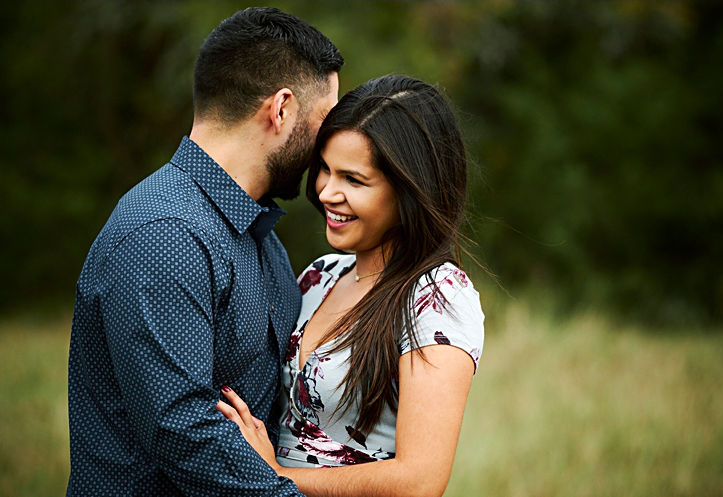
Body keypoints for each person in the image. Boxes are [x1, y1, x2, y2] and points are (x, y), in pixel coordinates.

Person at [67, 7, 342, 496]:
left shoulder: (260, 237)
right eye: (325, 121)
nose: (327, 148)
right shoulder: (164, 233)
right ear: (281, 110)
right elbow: (182, 428)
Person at [217, 75, 485, 497]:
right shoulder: (321, 274)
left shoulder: (438, 296)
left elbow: (420, 481)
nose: (326, 191)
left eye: (353, 180)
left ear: (409, 191)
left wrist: (275, 476)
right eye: (325, 169)